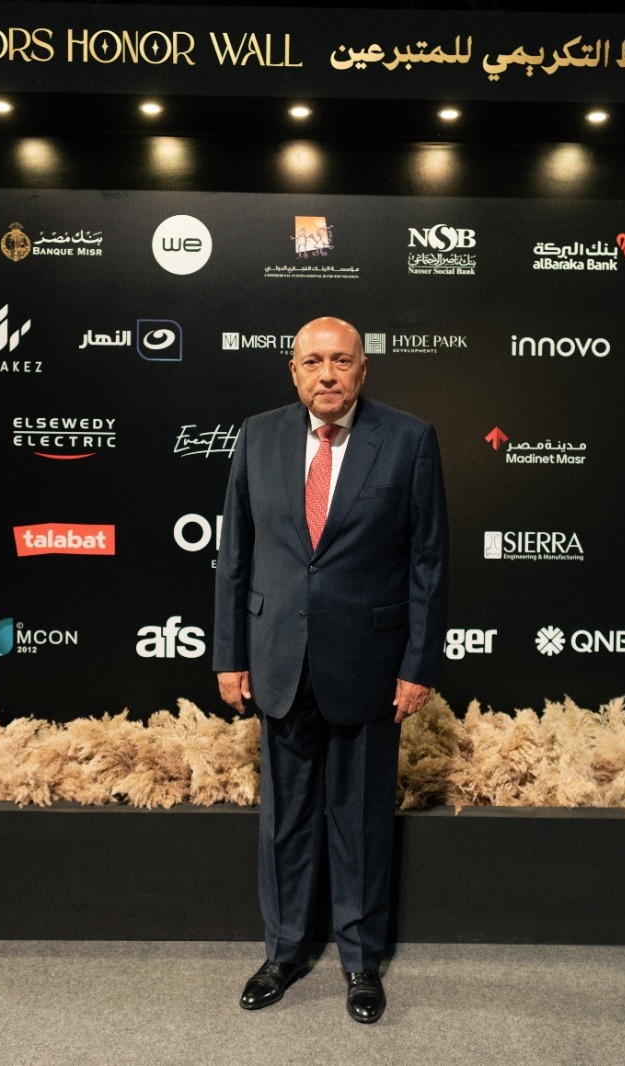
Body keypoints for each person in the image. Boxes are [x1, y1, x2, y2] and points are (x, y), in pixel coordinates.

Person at [213, 316, 449, 1024]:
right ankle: (283, 951)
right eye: (313, 361)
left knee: (362, 821)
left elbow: (429, 564)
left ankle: (360, 960)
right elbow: (235, 556)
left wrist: (417, 665)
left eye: (341, 361)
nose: (327, 374)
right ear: (293, 370)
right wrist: (230, 655)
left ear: (362, 370)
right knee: (284, 819)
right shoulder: (258, 436)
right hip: (279, 660)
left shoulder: (409, 439)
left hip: (369, 665)